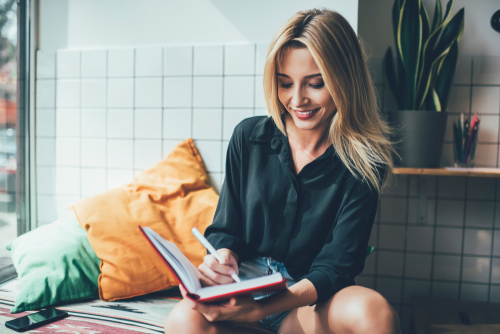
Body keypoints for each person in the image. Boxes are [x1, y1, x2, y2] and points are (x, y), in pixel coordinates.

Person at [164, 8, 402, 334]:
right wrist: (222, 255)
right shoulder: (248, 138)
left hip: (303, 302)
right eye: (285, 83)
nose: (297, 99)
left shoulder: (365, 165)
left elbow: (336, 267)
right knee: (182, 318)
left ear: (345, 81)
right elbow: (224, 227)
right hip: (239, 290)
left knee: (374, 311)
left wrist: (262, 308)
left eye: (315, 84)